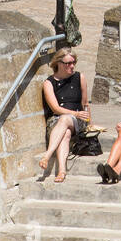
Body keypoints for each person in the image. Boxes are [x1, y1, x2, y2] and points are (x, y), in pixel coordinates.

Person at [37, 49, 90, 183]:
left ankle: (47, 155)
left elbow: (85, 103)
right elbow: (55, 108)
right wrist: (74, 113)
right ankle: (62, 171)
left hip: (77, 120)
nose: (72, 66)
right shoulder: (49, 83)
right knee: (65, 133)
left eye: (74, 62)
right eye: (68, 63)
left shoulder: (80, 77)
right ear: (59, 63)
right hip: (56, 120)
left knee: (66, 119)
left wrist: (89, 122)